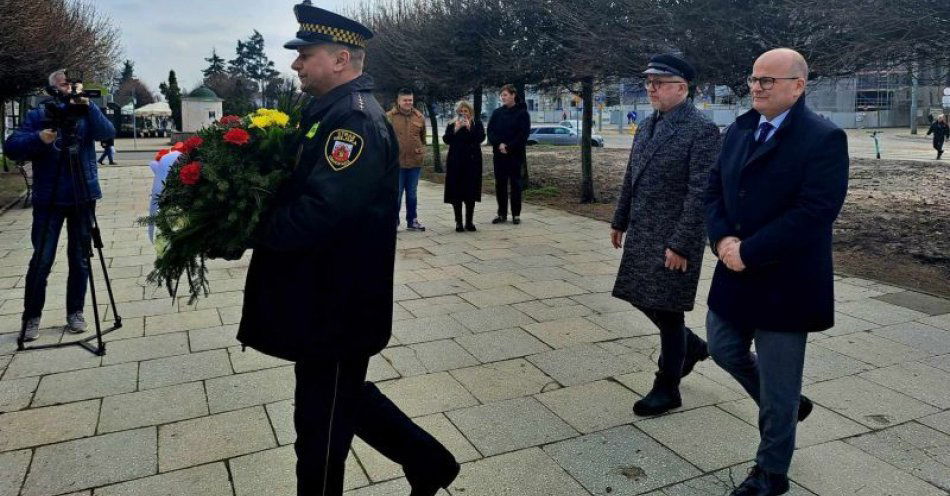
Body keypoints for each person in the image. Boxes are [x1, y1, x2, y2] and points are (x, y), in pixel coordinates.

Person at [237, 4, 459, 495]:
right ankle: (430, 461)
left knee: (319, 431)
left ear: (340, 59)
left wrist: (248, 229)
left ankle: (427, 463)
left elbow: (320, 212)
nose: (296, 64)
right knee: (342, 398)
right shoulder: (327, 113)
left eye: (305, 55)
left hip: (337, 306)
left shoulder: (351, 125)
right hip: (322, 299)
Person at [705, 48, 848, 496]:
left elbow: (815, 211)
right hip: (734, 268)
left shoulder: (823, 138)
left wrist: (751, 250)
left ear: (798, 86)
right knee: (722, 346)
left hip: (786, 282)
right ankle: (785, 406)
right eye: (753, 79)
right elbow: (714, 192)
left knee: (780, 383)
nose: (756, 88)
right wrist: (724, 240)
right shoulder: (739, 130)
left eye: (768, 81)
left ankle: (770, 473)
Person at [610, 54, 720, 417]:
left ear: (682, 88)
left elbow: (700, 192)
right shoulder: (647, 125)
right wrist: (619, 219)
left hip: (675, 236)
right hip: (643, 230)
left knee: (669, 313)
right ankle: (690, 346)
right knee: (637, 295)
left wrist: (682, 243)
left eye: (659, 83)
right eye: (648, 83)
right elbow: (631, 176)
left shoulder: (700, 129)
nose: (651, 89)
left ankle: (667, 386)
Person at [3, 70, 115, 341]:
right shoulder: (38, 115)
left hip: (82, 195)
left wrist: (89, 108)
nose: (72, 88)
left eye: (75, 84)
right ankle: (31, 317)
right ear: (53, 89)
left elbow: (107, 133)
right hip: (49, 198)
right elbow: (12, 147)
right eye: (66, 84)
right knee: (42, 259)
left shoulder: (85, 112)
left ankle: (75, 312)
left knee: (80, 259)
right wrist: (39, 138)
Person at [487, 84, 530, 225]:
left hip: (515, 154)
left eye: (505, 95)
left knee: (516, 184)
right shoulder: (497, 113)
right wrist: (499, 144)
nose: (503, 97)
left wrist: (509, 146)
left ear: (513, 95)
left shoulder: (522, 113)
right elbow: (490, 131)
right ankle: (502, 214)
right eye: (502, 95)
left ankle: (516, 214)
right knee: (500, 184)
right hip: (499, 154)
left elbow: (523, 135)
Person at [386, 88, 427, 231]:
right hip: (396, 164)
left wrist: (420, 152)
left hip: (414, 163)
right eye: (405, 100)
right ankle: (393, 221)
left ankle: (412, 220)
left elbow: (422, 138)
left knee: (412, 194)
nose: (408, 102)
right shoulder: (389, 117)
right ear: (398, 101)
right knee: (396, 195)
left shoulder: (419, 117)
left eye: (410, 100)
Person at [443, 100, 485, 232]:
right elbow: (446, 139)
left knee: (470, 191)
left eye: (465, 111)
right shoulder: (452, 123)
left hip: (472, 162)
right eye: (461, 111)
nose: (463, 114)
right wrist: (455, 129)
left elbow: (480, 138)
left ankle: (469, 221)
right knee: (456, 191)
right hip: (456, 161)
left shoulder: (476, 123)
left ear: (470, 112)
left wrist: (469, 128)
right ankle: (458, 222)